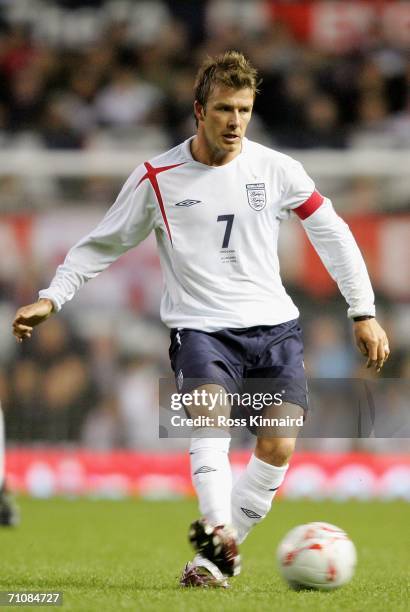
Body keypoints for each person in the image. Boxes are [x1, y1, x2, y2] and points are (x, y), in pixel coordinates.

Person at [12, 51, 390, 588]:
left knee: (278, 445)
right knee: (209, 417)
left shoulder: (277, 170)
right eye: (223, 109)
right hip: (201, 329)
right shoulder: (159, 177)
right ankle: (216, 526)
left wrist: (363, 311)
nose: (235, 122)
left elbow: (334, 235)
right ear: (198, 110)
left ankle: (211, 562)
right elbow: (101, 244)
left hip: (274, 329)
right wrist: (52, 297)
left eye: (244, 109)